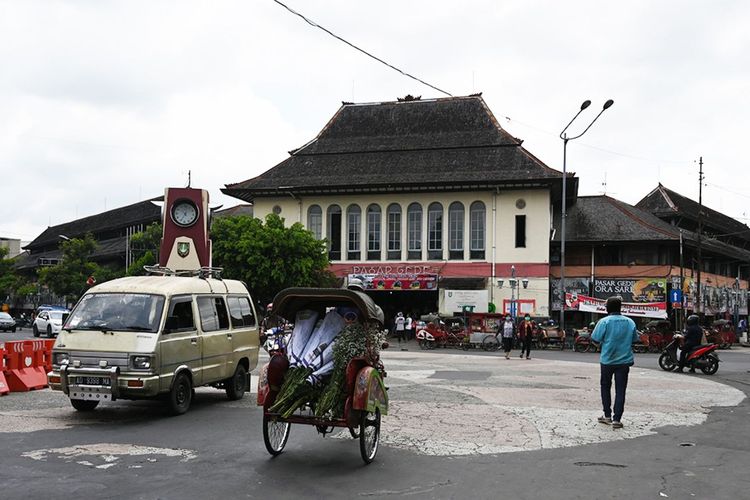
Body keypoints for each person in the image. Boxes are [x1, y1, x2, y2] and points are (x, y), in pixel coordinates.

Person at [591, 296, 639, 429]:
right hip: (624, 361)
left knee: (605, 387)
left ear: (608, 308)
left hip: (607, 360)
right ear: (620, 307)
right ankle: (617, 419)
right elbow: (635, 339)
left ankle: (607, 416)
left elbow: (595, 338)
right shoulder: (630, 322)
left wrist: (602, 344)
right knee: (621, 389)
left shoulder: (603, 322)